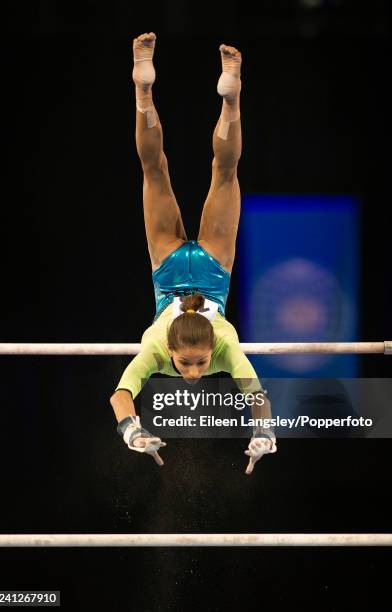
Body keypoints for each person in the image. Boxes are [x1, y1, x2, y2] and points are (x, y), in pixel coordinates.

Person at [110, 32, 277, 475]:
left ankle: (144, 90)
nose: (194, 372)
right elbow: (256, 396)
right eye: (192, 363)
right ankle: (229, 96)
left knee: (159, 171)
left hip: (173, 269)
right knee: (209, 171)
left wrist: (131, 428)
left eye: (195, 362)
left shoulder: (156, 345)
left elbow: (121, 394)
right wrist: (263, 432)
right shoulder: (223, 343)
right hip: (194, 269)